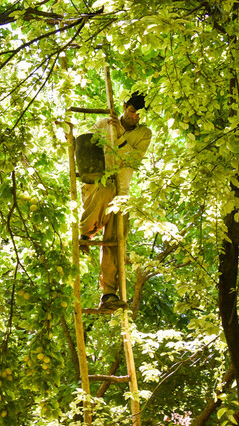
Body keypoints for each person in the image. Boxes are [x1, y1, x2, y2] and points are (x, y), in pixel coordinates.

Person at [79, 92, 152, 312]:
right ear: (124, 106)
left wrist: (118, 138)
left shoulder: (144, 134)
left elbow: (132, 159)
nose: (135, 117)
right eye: (132, 111)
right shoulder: (103, 124)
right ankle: (84, 232)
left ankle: (109, 294)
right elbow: (85, 150)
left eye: (139, 114)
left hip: (122, 194)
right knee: (107, 187)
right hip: (97, 189)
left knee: (116, 242)